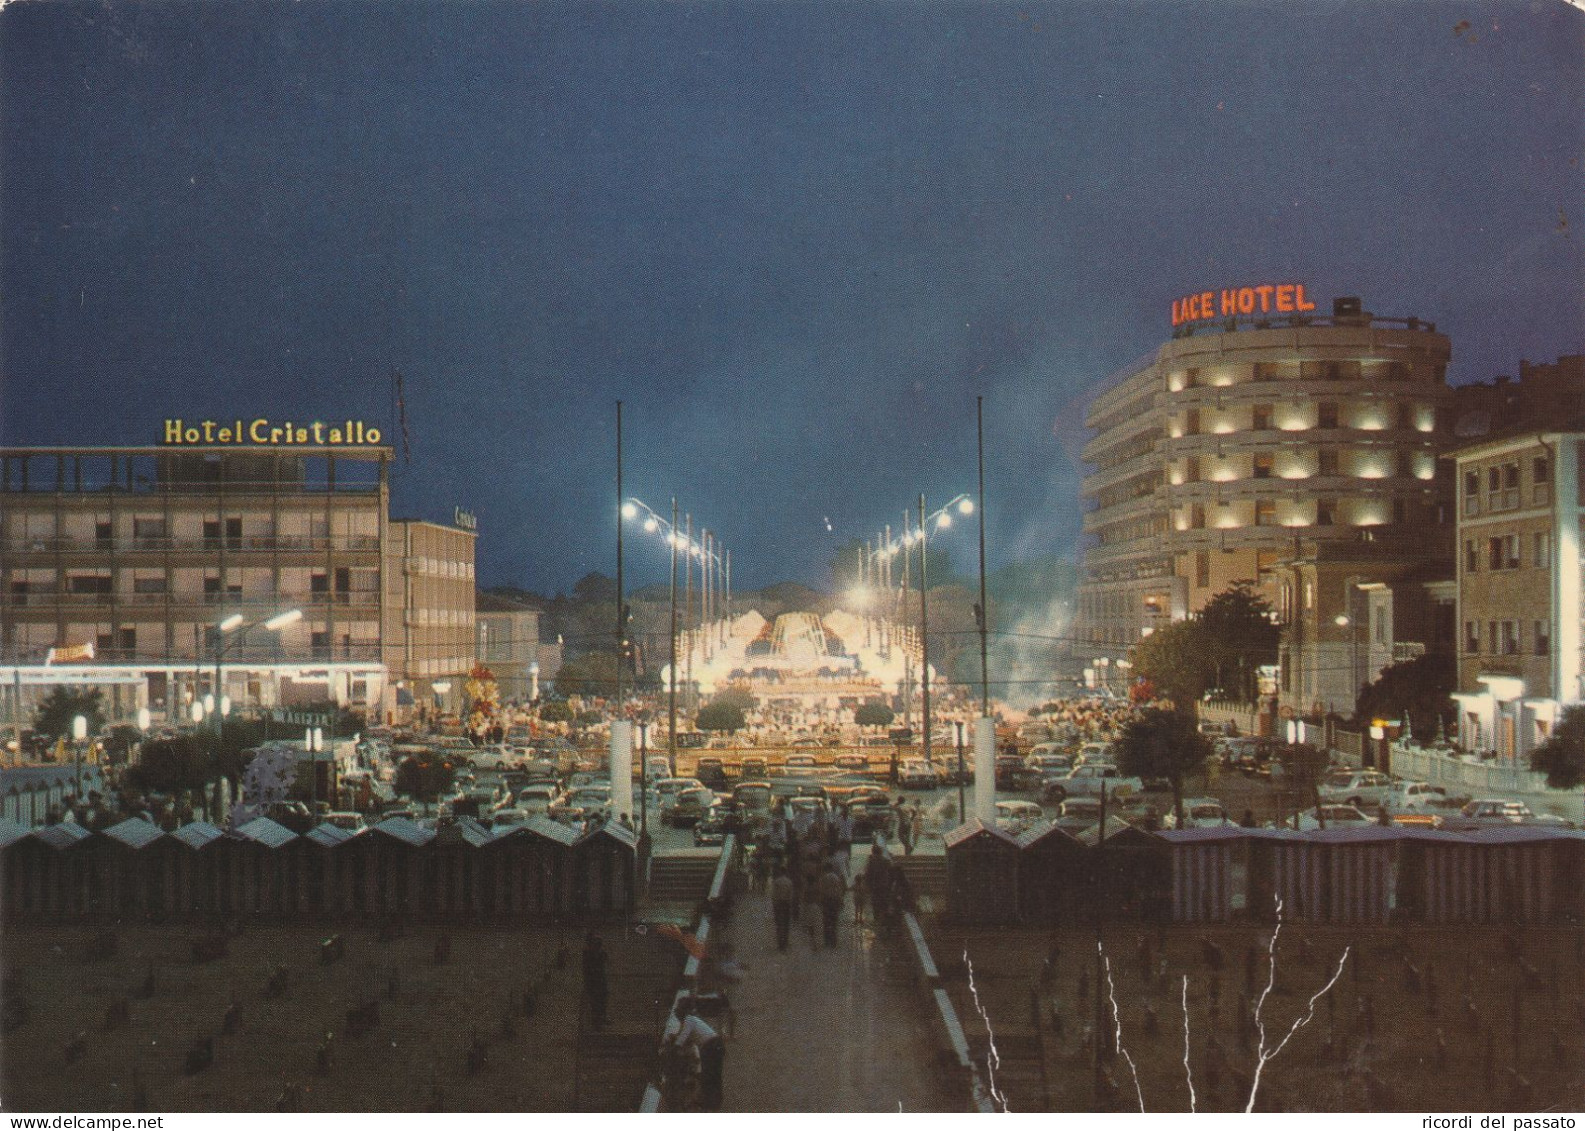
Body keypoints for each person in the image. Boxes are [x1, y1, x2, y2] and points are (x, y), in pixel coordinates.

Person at [664, 999, 726, 1111]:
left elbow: (680, 1041)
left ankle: (710, 1103)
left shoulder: (689, 1020)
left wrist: (671, 1050)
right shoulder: (690, 1021)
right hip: (715, 1045)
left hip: (710, 1046)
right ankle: (713, 1102)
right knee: (713, 1075)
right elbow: (681, 1036)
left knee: (709, 1075)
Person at [581, 933, 608, 1030]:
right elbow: (589, 969)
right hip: (594, 982)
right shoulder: (588, 954)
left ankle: (600, 1019)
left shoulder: (599, 954)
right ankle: (596, 1023)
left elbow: (604, 960)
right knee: (595, 1003)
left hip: (600, 981)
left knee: (601, 1001)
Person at [818, 863, 846, 947]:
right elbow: (839, 890)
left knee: (826, 921)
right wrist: (841, 900)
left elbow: (821, 890)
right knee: (834, 921)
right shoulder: (836, 877)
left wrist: (820, 901)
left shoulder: (823, 878)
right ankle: (834, 942)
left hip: (826, 900)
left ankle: (827, 941)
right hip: (835, 900)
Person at [770, 867, 794, 951]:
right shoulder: (789, 882)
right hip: (786, 904)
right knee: (786, 923)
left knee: (779, 924)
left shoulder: (777, 882)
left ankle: (780, 943)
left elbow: (774, 894)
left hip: (778, 904)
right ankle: (785, 942)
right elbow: (791, 895)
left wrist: (774, 904)